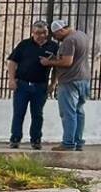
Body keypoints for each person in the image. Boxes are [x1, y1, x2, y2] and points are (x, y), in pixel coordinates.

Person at [5, 19, 58, 148]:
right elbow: (12, 62)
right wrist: (11, 80)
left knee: (37, 114)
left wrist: (53, 83)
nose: (41, 36)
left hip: (40, 86)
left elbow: (57, 66)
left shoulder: (53, 46)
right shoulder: (24, 45)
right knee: (19, 113)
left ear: (47, 32)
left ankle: (36, 140)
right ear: (32, 33)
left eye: (44, 32)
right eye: (37, 33)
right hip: (22, 84)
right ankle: (15, 138)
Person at [42, 18, 92, 151]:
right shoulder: (82, 35)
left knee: (68, 113)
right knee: (79, 111)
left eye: (56, 35)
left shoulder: (69, 40)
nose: (57, 38)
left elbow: (67, 62)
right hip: (84, 79)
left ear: (61, 30)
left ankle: (68, 143)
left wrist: (49, 62)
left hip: (70, 81)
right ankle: (78, 141)